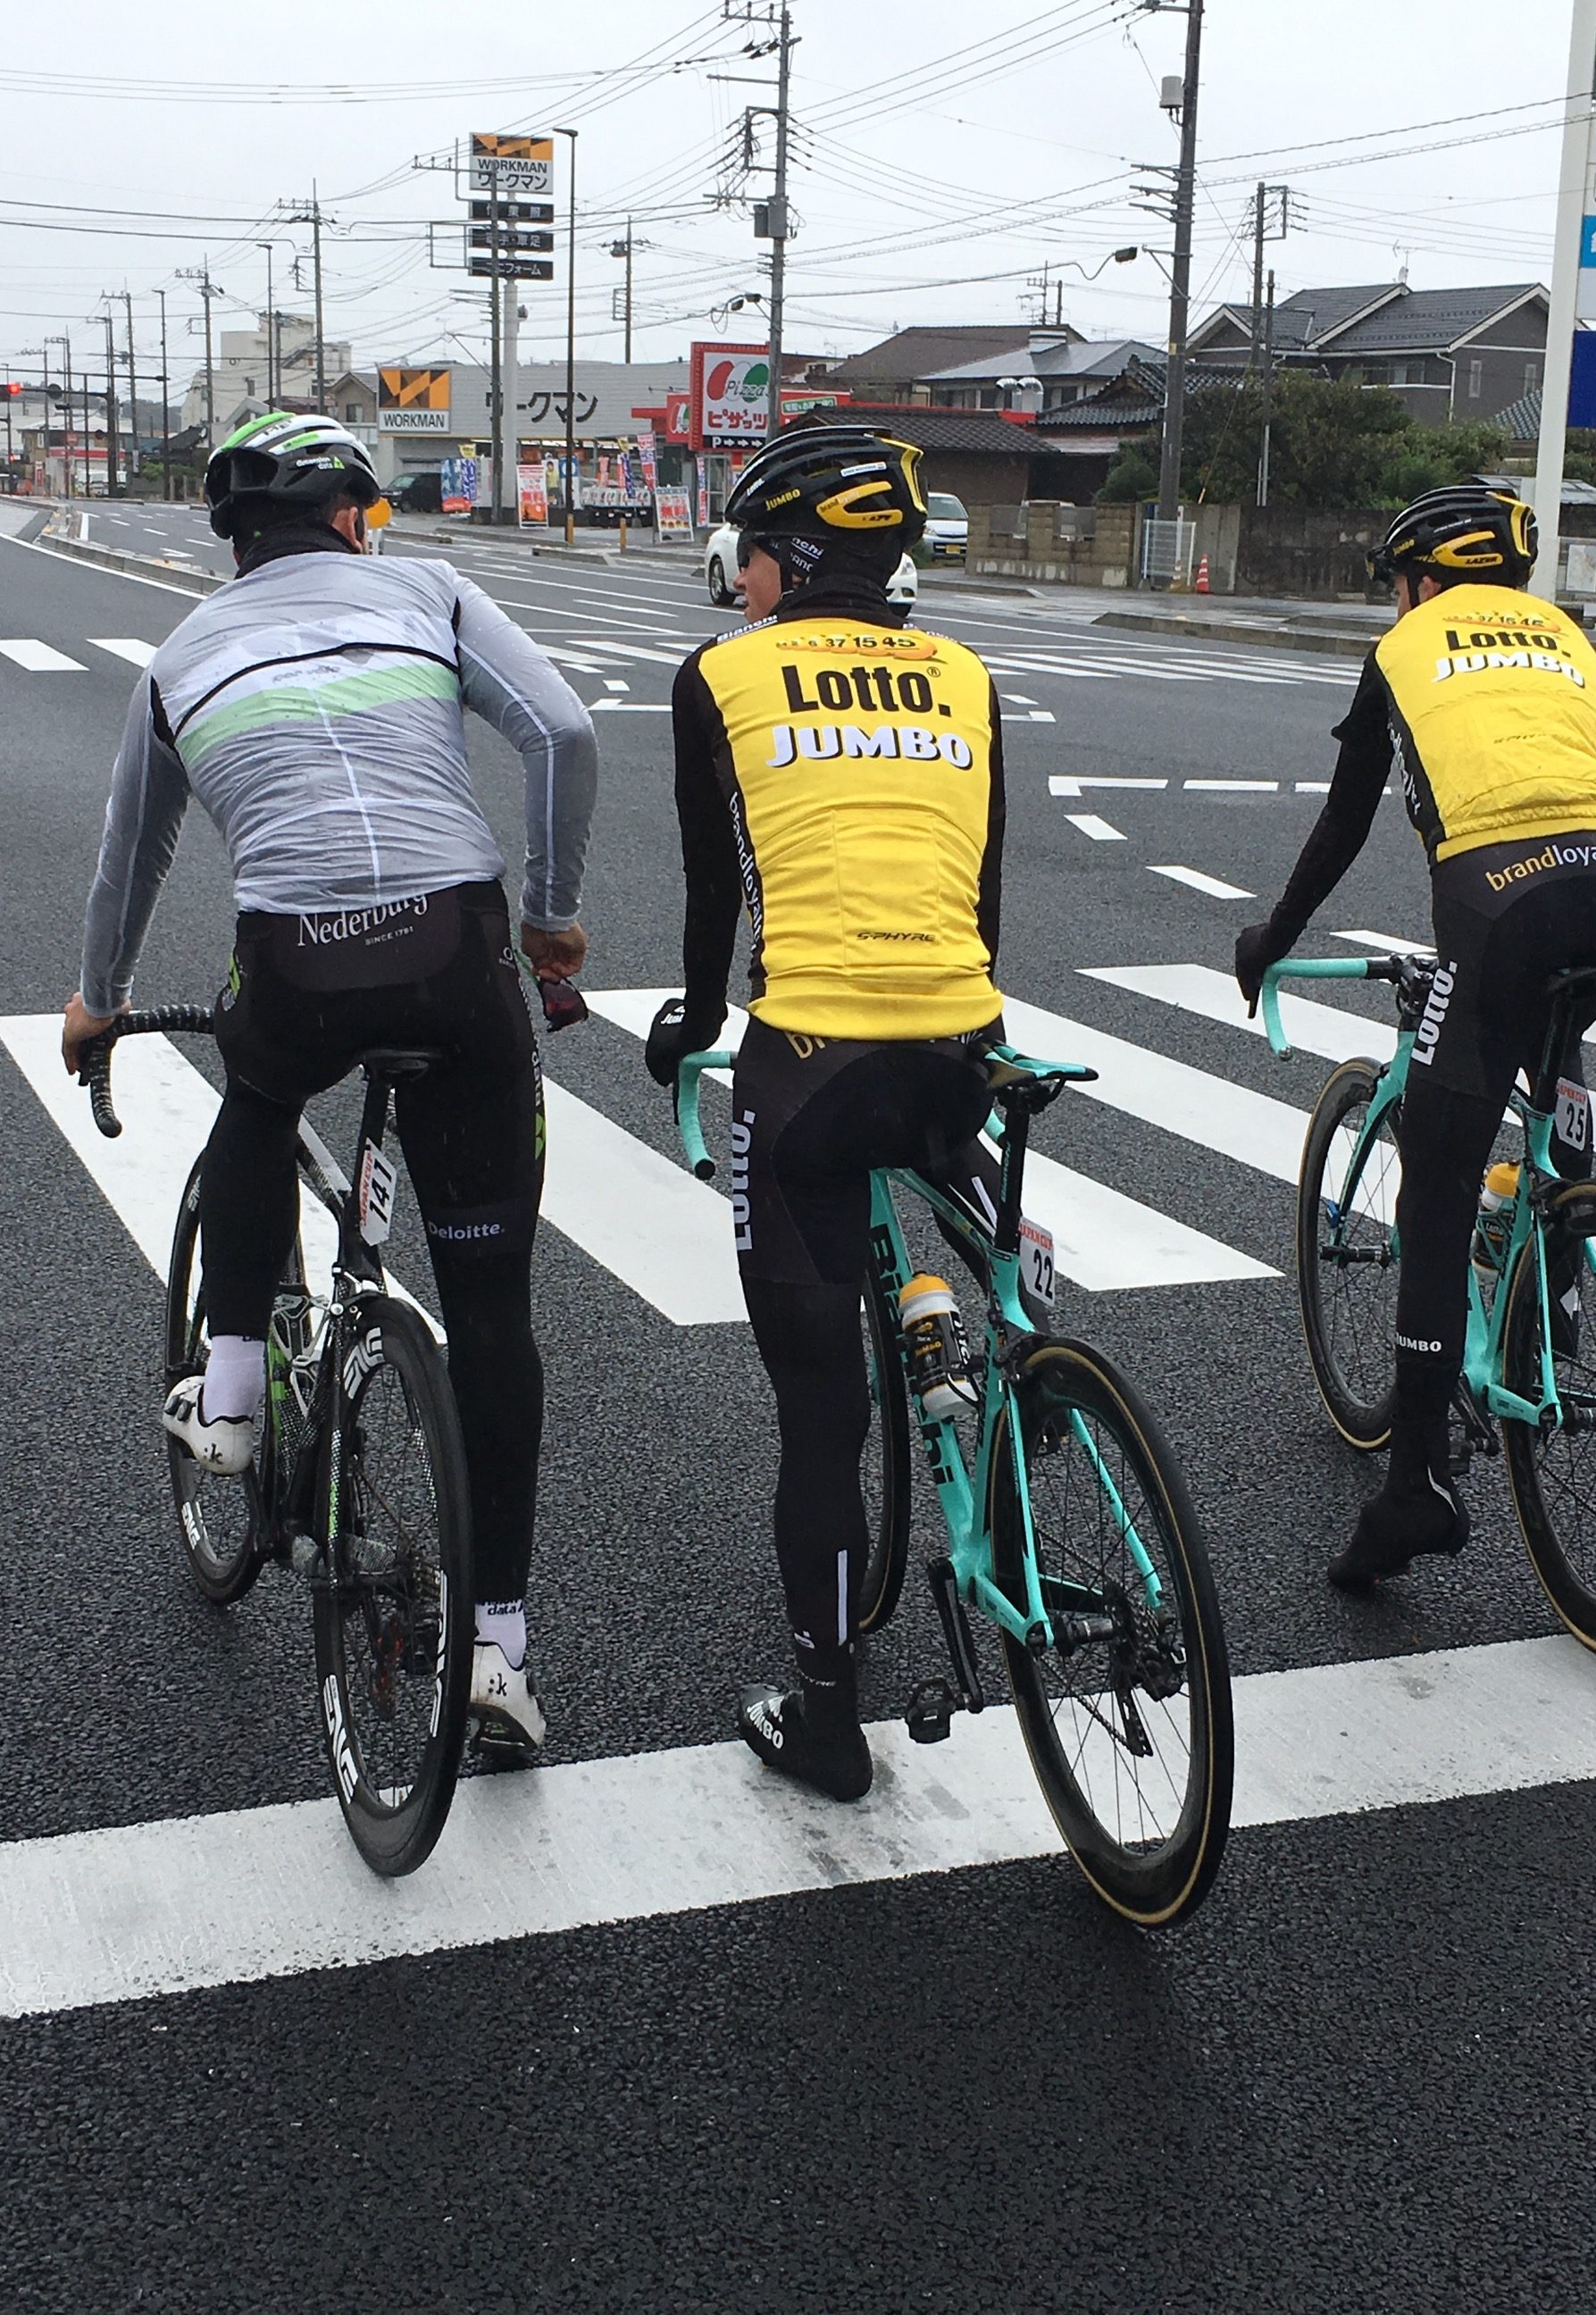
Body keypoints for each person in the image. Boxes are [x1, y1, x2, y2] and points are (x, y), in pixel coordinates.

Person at [62, 410, 598, 1759]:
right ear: (356, 513)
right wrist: (550, 921)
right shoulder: (430, 590)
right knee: (492, 1319)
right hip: (456, 961)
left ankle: (232, 1393)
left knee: (256, 1096)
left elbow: (133, 854)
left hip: (293, 969)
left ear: (236, 540)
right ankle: (499, 1658)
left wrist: (99, 1000)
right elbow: (565, 734)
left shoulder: (179, 657)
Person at [645, 422, 1008, 1802]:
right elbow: (980, 892)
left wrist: (690, 1022)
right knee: (984, 1260)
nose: (736, 580)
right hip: (957, 1036)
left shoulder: (723, 675)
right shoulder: (965, 674)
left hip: (811, 1063)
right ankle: (1022, 1405)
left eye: (745, 556)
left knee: (820, 1423)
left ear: (788, 557)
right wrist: (974, 1029)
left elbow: (710, 892)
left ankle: (828, 1721)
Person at [1234, 481, 1596, 1589]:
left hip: (1496, 905)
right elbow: (1581, 759)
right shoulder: (1565, 636)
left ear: (1422, 581)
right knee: (1549, 1052)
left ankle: (1415, 1481)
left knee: (1432, 1181)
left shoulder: (1408, 644)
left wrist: (1270, 935)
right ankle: (1557, 1280)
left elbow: (1346, 813)